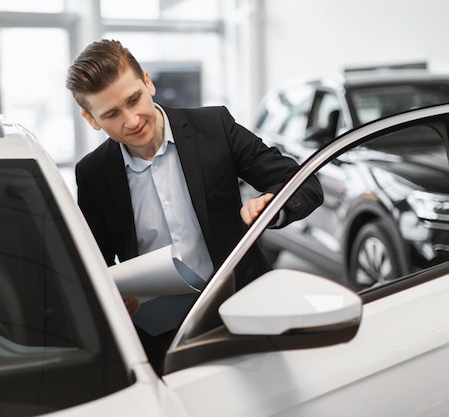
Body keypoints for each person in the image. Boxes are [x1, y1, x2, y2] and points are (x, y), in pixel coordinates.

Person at [66, 39, 323, 372]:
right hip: (160, 336)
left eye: (134, 99)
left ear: (148, 82)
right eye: (112, 114)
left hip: (245, 306)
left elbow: (303, 182)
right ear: (91, 119)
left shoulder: (214, 127)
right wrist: (111, 298)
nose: (131, 120)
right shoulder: (93, 174)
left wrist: (271, 206)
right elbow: (96, 264)